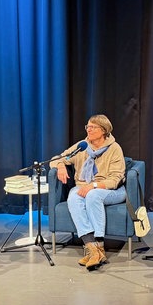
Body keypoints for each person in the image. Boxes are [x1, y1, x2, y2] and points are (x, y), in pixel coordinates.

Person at [50, 114, 126, 271]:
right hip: (84, 186)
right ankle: (93, 249)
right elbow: (57, 158)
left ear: (103, 130)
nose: (88, 130)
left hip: (110, 189)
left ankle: (99, 245)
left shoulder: (114, 148)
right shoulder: (82, 146)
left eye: (93, 127)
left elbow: (115, 179)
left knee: (92, 195)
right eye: (87, 126)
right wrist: (61, 165)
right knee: (73, 197)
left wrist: (94, 185)